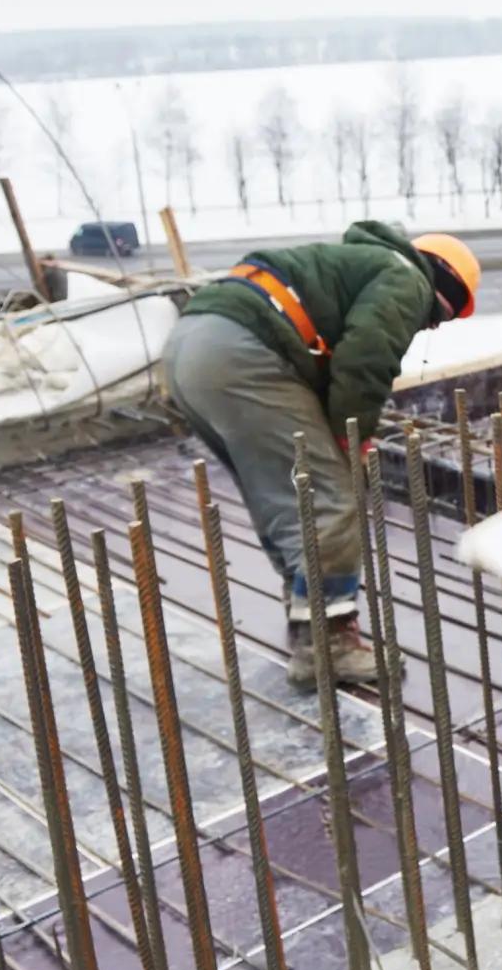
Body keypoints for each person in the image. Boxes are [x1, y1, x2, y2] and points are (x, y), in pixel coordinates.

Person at [163, 221, 480, 688]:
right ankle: (327, 645)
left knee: (286, 493)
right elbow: (366, 358)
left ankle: (306, 618)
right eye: (438, 319)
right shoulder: (407, 277)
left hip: (189, 348)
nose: (429, 326)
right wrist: (353, 438)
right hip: (241, 351)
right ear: (445, 290)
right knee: (331, 495)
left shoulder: (360, 265)